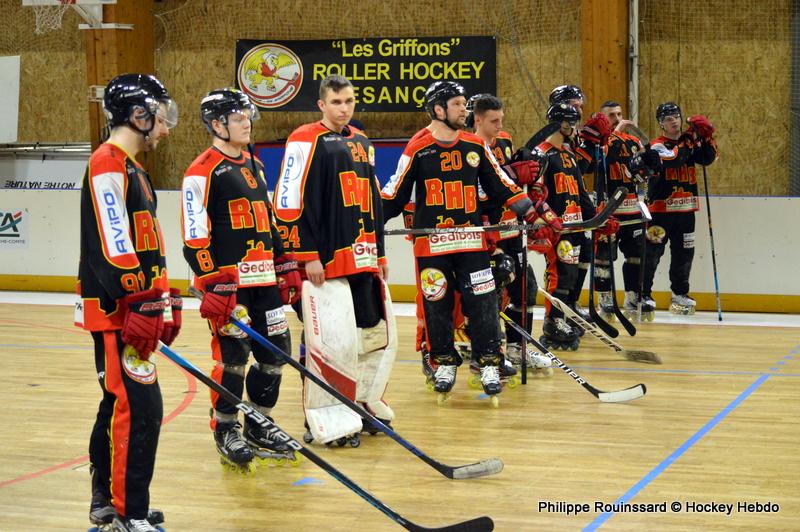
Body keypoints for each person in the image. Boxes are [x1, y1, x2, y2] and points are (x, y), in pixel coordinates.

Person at [382, 80, 559, 402]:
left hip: (471, 242)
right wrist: (364, 223)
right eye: (458, 105)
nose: (465, 110)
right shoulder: (417, 148)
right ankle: (444, 362)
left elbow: (502, 186)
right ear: (438, 109)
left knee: (482, 304)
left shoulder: (474, 146)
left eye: (465, 104)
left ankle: (489, 361)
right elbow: (393, 196)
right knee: (437, 306)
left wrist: (534, 215)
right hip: (433, 245)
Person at [76, 73, 178, 532]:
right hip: (118, 307)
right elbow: (113, 239)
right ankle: (127, 512)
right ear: (138, 115)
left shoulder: (132, 166)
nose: (166, 125)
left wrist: (164, 300)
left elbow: (147, 242)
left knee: (117, 403)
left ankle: (110, 503)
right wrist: (139, 298)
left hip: (135, 304)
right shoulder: (107, 162)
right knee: (139, 408)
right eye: (159, 114)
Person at [181, 88, 302, 470]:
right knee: (234, 359)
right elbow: (193, 235)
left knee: (276, 351)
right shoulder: (202, 170)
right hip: (230, 288)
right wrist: (212, 282)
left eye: (247, 116)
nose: (246, 122)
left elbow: (268, 220)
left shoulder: (255, 164)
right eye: (238, 118)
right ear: (217, 125)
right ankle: (226, 427)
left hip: (264, 279)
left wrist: (285, 263)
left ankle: (259, 422)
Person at [273, 75, 394, 445]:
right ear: (322, 105)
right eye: (337, 102)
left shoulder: (361, 141)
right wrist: (307, 256)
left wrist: (381, 251)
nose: (345, 108)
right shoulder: (303, 139)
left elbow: (373, 200)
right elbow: (287, 202)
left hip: (361, 256)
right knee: (327, 340)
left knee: (368, 333)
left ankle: (360, 404)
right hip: (322, 262)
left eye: (350, 101)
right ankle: (320, 416)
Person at [467, 93, 552, 375]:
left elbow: (512, 184)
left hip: (513, 228)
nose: (498, 126)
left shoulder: (503, 140)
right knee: (491, 293)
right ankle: (489, 350)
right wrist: (512, 173)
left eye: (501, 120)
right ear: (477, 120)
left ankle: (518, 348)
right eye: (493, 121)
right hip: (486, 233)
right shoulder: (468, 147)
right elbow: (479, 192)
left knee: (525, 288)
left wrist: (528, 172)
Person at [534, 102, 618, 351]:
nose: (575, 127)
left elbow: (581, 194)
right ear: (561, 123)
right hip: (558, 229)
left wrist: (599, 220)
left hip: (577, 226)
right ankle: (553, 322)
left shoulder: (569, 155)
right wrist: (546, 219)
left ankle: (565, 315)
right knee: (559, 276)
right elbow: (536, 195)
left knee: (571, 277)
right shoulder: (542, 154)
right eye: (572, 122)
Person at [643, 102, 718, 314]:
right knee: (652, 254)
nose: (674, 121)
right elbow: (674, 159)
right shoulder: (657, 146)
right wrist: (690, 141)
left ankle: (680, 294)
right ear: (661, 124)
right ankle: (644, 294)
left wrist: (706, 137)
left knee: (684, 254)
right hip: (660, 212)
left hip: (686, 212)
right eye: (668, 118)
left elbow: (708, 158)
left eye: (676, 116)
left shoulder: (688, 144)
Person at [548, 85, 612, 326]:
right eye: (574, 105)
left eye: (580, 106)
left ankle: (572, 303)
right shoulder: (552, 140)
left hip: (578, 209)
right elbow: (575, 170)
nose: (578, 111)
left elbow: (582, 174)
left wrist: (597, 146)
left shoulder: (574, 136)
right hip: (560, 214)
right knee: (562, 269)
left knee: (585, 255)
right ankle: (555, 315)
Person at [593, 101, 662, 319]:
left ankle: (634, 295)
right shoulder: (599, 142)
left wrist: (649, 155)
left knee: (636, 256)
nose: (617, 118)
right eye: (611, 115)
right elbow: (598, 160)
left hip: (632, 208)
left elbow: (651, 170)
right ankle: (605, 299)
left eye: (619, 114)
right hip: (608, 210)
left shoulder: (633, 142)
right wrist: (615, 133)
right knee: (604, 258)